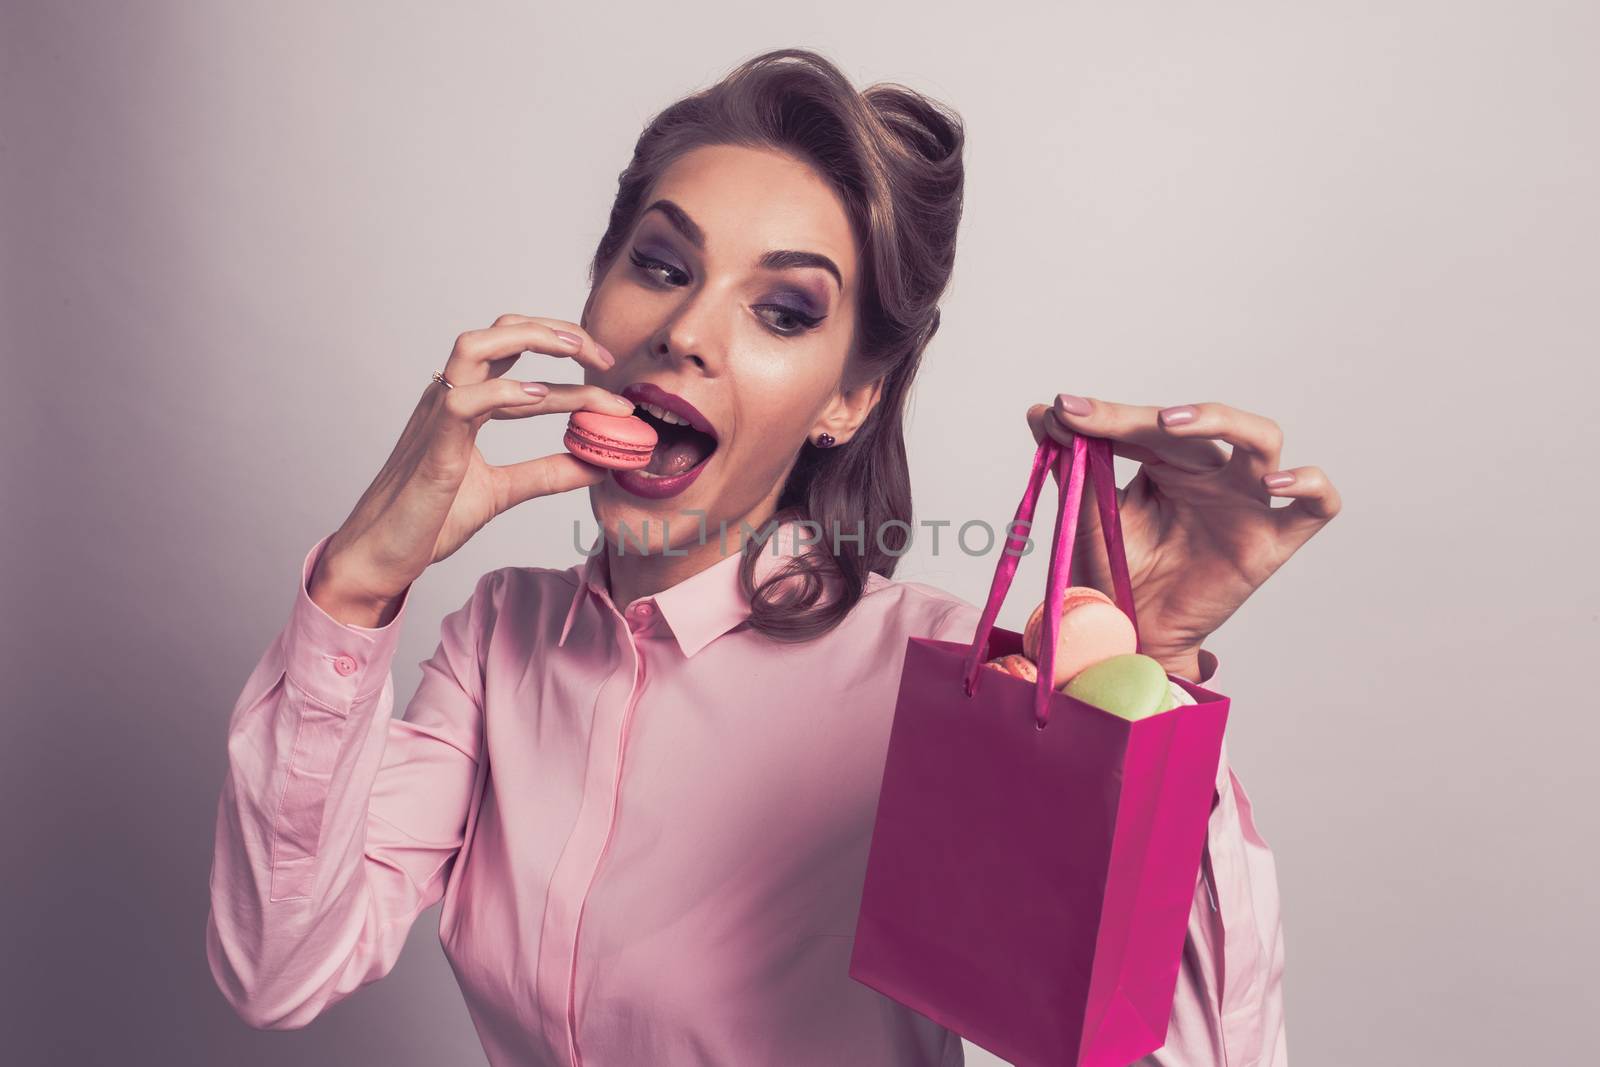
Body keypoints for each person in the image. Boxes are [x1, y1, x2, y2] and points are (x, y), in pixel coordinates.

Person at [205, 47, 1337, 1066]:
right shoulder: (502, 639)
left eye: (784, 311)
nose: (685, 330)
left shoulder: (948, 679)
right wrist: (357, 583)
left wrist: (1140, 700)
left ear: (850, 395)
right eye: (658, 263)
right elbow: (279, 967)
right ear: (596, 292)